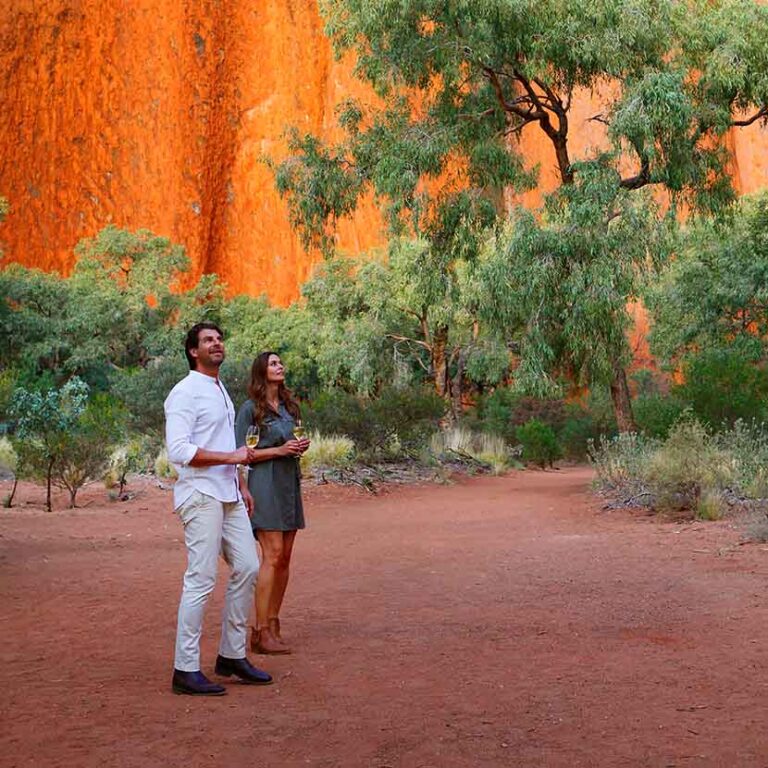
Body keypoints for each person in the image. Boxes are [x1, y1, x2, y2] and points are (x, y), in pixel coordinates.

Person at [164, 322, 273, 695]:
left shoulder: (219, 388)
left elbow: (226, 440)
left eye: (219, 339)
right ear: (193, 351)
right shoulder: (184, 393)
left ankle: (231, 655)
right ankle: (185, 668)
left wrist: (241, 481)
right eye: (208, 340)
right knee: (201, 578)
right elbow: (179, 451)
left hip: (228, 493)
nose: (217, 344)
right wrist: (232, 457)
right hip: (200, 494)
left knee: (248, 566)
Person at [234, 351, 309, 655]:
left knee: (286, 557)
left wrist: (299, 447)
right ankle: (259, 631)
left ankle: (274, 624)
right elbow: (241, 452)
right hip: (264, 484)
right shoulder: (250, 410)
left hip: (289, 483)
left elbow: (292, 442)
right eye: (274, 363)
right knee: (272, 554)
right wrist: (279, 451)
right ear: (262, 371)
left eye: (281, 363)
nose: (280, 367)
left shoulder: (290, 406)